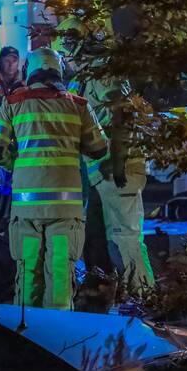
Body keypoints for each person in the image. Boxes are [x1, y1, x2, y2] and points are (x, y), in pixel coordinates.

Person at [0, 48, 109, 309]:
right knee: (61, 273)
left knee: (29, 271)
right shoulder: (79, 105)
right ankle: (58, 337)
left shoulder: (14, 102)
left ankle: (27, 337)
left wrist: (15, 161)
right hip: (66, 208)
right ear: (58, 70)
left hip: (26, 208)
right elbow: (100, 149)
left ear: (30, 71)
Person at [59, 17, 155, 291]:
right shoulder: (91, 74)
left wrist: (117, 160)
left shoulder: (102, 74)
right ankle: (127, 294)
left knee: (125, 238)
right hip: (104, 171)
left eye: (69, 42)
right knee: (110, 239)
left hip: (116, 169)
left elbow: (121, 114)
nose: (65, 50)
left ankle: (144, 296)